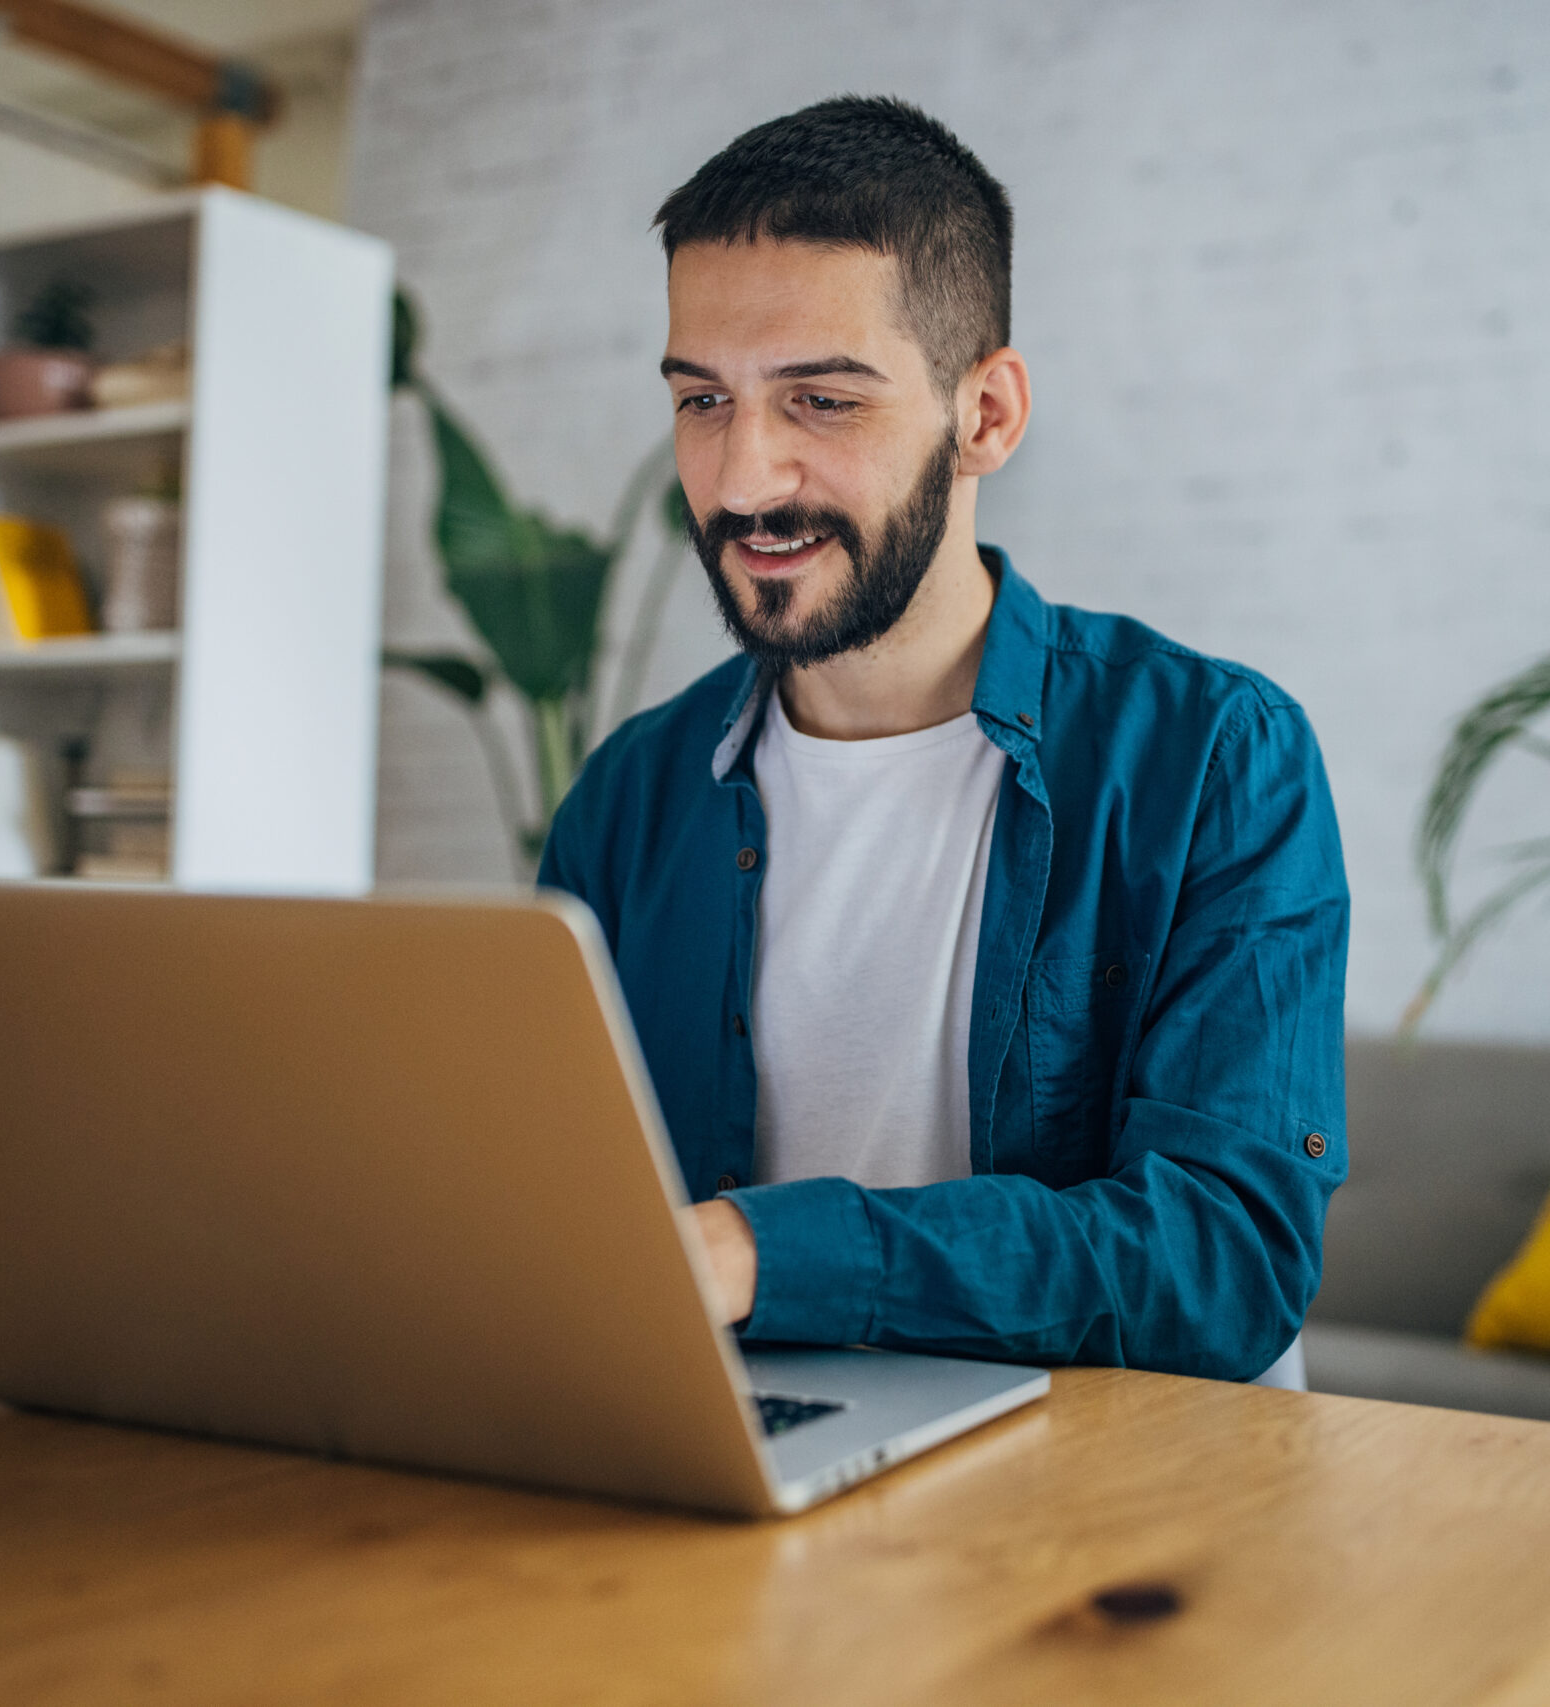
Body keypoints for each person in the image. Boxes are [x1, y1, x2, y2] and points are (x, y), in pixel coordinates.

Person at [537, 96, 1347, 1385]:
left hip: (1123, 1497)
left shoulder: (1215, 759)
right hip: (741, 1462)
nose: (745, 478)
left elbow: (1224, 1261)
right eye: (703, 399)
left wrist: (762, 1253)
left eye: (822, 400)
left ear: (987, 416)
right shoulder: (628, 798)